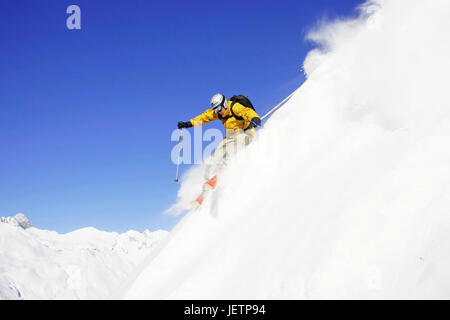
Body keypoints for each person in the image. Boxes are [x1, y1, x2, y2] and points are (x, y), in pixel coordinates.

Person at [177, 93, 261, 190]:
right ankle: (208, 181)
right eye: (215, 110)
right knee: (214, 158)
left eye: (219, 109)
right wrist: (188, 124)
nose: (218, 112)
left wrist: (254, 118)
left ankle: (226, 167)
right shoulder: (219, 113)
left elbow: (247, 112)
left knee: (234, 149)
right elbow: (203, 117)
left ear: (224, 104)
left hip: (245, 134)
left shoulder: (234, 107)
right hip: (230, 137)